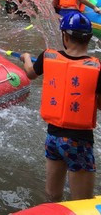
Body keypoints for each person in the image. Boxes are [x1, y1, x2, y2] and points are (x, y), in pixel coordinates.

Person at [19, 12, 101, 202]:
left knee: (52, 196)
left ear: (64, 36)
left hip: (53, 137)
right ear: (89, 38)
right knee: (82, 203)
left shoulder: (48, 57)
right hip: (79, 142)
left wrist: (26, 58)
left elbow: (31, 73)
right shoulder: (96, 68)